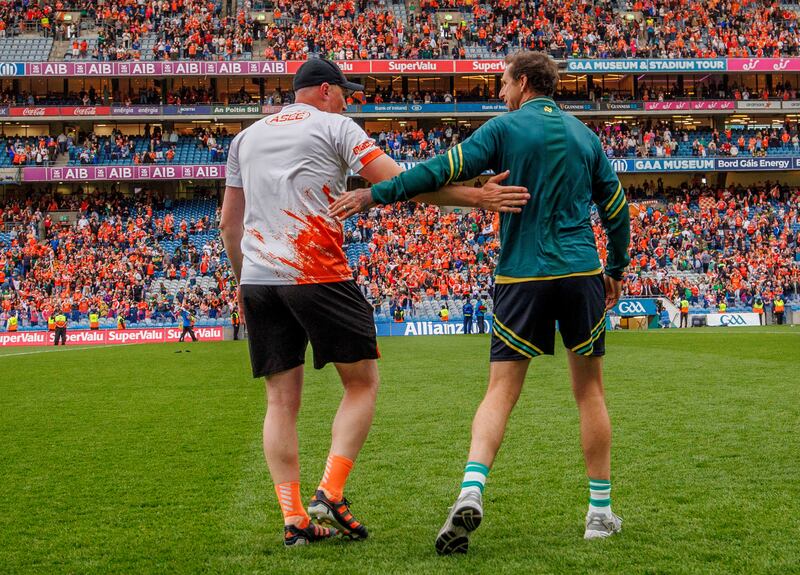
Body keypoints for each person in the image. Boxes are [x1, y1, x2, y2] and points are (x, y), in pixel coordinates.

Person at [220, 57, 528, 548]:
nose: (348, 99)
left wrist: (244, 283)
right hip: (314, 268)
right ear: (324, 90)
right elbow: (400, 183)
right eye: (344, 91)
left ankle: (294, 517)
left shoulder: (245, 138)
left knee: (280, 401)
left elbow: (228, 225)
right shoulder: (336, 126)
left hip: (258, 280)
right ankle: (331, 492)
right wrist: (477, 198)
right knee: (362, 382)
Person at [330, 51, 630, 550]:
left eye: (504, 82)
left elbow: (437, 170)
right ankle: (599, 513)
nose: (499, 92)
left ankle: (472, 490)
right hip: (581, 271)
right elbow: (616, 208)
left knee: (500, 392)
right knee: (589, 392)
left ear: (525, 81)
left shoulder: (503, 129)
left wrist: (373, 195)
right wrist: (615, 270)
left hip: (520, 275)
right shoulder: (586, 136)